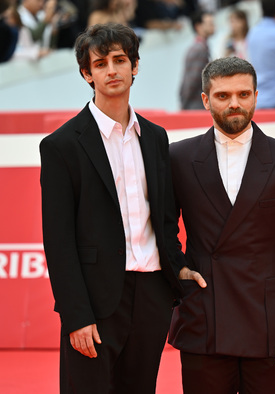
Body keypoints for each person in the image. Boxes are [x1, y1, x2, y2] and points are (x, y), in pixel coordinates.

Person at [39, 22, 185, 393]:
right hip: (95, 300)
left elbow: (166, 220)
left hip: (152, 294)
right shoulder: (61, 146)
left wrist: (177, 273)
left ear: (135, 66)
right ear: (87, 74)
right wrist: (76, 316)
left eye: (120, 60)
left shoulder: (155, 137)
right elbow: (58, 242)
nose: (112, 70)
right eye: (100, 63)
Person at [168, 56, 275, 393]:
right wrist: (177, 271)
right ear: (206, 100)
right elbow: (161, 228)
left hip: (269, 325)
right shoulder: (178, 157)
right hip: (204, 317)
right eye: (223, 96)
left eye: (243, 94)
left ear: (255, 95)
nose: (235, 103)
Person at [179, 10, 214, 110]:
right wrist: (184, 106)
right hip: (195, 105)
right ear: (198, 26)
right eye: (210, 24)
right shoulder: (199, 49)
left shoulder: (201, 47)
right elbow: (191, 81)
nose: (213, 26)